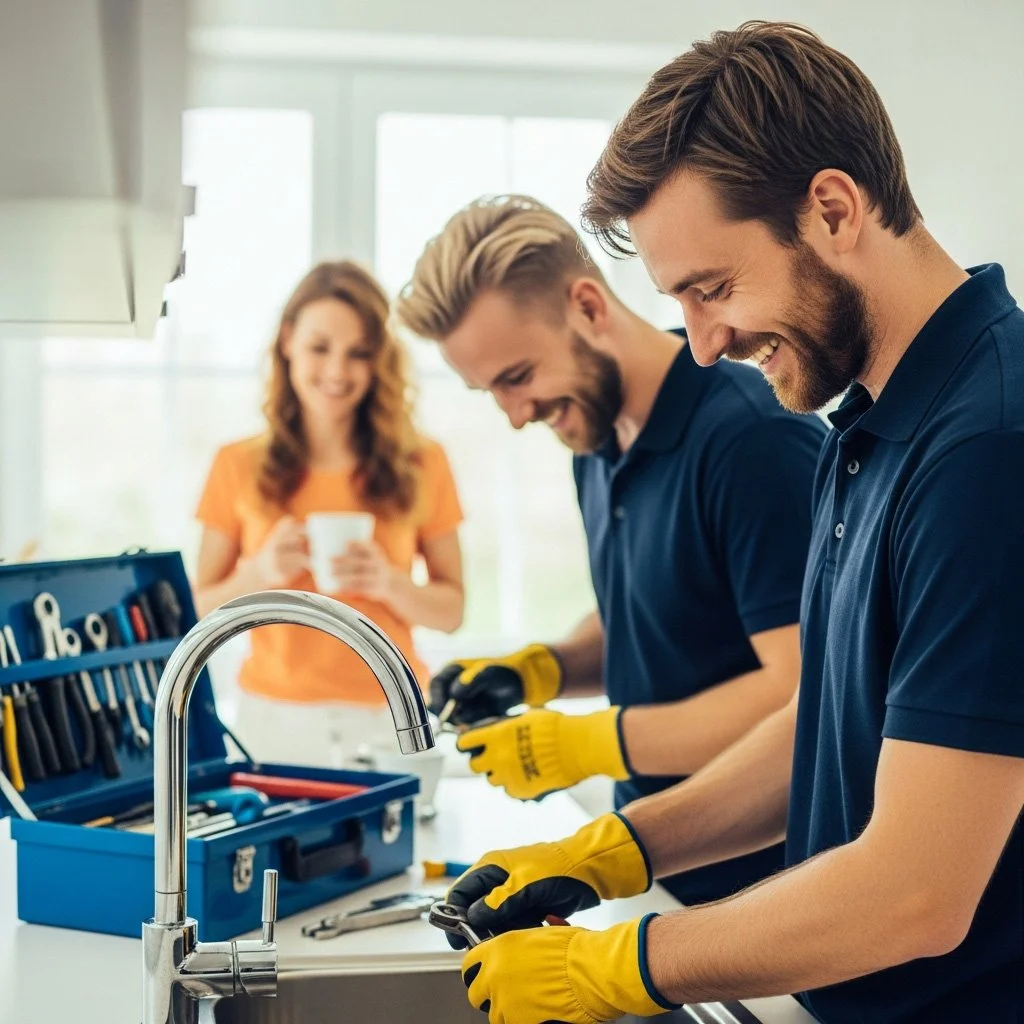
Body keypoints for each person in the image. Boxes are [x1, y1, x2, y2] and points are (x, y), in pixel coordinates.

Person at [433, 22, 1024, 1024]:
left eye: (713, 289)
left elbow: (916, 893)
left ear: (832, 210)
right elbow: (829, 721)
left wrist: (615, 964)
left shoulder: (986, 451)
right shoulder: (865, 423)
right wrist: (617, 850)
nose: (702, 345)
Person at [396, 195, 825, 907]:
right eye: (489, 392)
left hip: (765, 887)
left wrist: (589, 743)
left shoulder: (752, 440)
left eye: (518, 376)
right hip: (653, 865)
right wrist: (541, 671)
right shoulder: (597, 442)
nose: (514, 414)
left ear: (589, 306)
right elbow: (656, 610)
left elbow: (803, 692)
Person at [194, 260, 464, 767]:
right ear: (287, 340)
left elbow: (452, 612)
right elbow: (197, 612)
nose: (338, 372)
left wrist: (389, 583)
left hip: (393, 714)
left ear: (378, 360)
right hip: (272, 720)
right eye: (320, 348)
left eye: (358, 353)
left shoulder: (423, 462)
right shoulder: (237, 464)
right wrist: (258, 575)